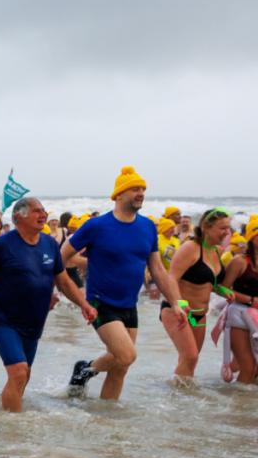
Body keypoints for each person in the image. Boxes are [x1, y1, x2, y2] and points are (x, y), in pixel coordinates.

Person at [0, 197, 95, 411]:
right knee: (19, 371)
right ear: (18, 217)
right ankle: (14, 427)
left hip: (34, 322)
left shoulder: (50, 244)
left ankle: (8, 415)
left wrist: (84, 305)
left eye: (43, 210)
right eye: (36, 211)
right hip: (4, 320)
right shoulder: (2, 245)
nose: (43, 215)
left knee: (24, 376)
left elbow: (64, 281)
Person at [62, 167, 188, 400]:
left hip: (129, 305)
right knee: (127, 355)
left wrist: (175, 303)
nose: (140, 193)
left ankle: (107, 418)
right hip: (100, 302)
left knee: (121, 367)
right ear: (118, 195)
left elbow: (158, 269)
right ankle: (86, 369)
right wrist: (90, 266)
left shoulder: (148, 227)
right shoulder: (96, 226)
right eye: (135, 189)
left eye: (142, 189)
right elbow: (64, 256)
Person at [157, 208, 229, 382]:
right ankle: (178, 397)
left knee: (191, 359)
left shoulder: (217, 250)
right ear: (206, 227)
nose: (227, 232)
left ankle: (183, 401)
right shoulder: (190, 247)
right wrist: (180, 304)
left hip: (198, 314)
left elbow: (207, 282)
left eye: (228, 228)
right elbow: (171, 278)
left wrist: (224, 291)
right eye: (222, 228)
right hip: (177, 310)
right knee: (190, 356)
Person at [217, 218, 258, 383]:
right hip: (239, 316)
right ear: (251, 237)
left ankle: (246, 406)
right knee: (248, 367)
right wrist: (250, 300)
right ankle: (235, 405)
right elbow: (221, 288)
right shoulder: (239, 261)